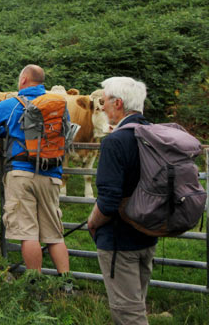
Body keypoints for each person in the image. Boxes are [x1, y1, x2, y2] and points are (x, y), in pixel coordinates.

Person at [0, 64, 70, 276]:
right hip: (52, 173)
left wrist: (3, 130)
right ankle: (67, 282)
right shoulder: (60, 107)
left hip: (21, 173)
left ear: (24, 80)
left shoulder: (13, 105)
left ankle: (34, 283)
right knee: (54, 234)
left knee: (29, 234)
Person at [87, 76, 157, 325]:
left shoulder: (115, 142)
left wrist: (92, 223)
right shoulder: (152, 134)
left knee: (129, 315)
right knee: (136, 303)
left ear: (117, 103)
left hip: (119, 241)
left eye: (104, 101)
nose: (102, 106)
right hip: (147, 234)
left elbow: (108, 201)